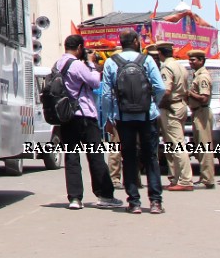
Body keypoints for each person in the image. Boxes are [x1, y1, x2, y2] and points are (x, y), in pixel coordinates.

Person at [100, 30, 167, 214]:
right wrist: (153, 103)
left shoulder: (111, 62)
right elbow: (160, 87)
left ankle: (134, 202)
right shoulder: (147, 60)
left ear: (121, 42)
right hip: (147, 116)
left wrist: (107, 118)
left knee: (128, 158)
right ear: (137, 42)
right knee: (151, 157)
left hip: (123, 117)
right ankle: (155, 202)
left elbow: (105, 94)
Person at [54, 36, 123, 209]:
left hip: (66, 116)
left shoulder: (57, 64)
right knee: (95, 156)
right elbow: (94, 81)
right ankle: (105, 195)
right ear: (79, 47)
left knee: (71, 157)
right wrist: (91, 63)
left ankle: (75, 198)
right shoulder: (77, 64)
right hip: (84, 114)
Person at [151, 42, 191, 191]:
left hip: (171, 106)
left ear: (160, 54)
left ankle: (185, 180)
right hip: (180, 104)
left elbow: (165, 90)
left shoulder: (166, 67)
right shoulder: (180, 66)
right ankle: (177, 178)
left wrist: (159, 101)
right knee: (173, 143)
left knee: (177, 144)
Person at [185, 49, 215, 188]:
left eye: (194, 60)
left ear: (202, 61)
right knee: (200, 147)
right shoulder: (196, 75)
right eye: (190, 60)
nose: (191, 62)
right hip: (196, 112)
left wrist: (189, 93)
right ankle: (205, 177)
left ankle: (207, 179)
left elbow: (204, 98)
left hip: (202, 112)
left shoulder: (202, 76)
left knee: (204, 147)